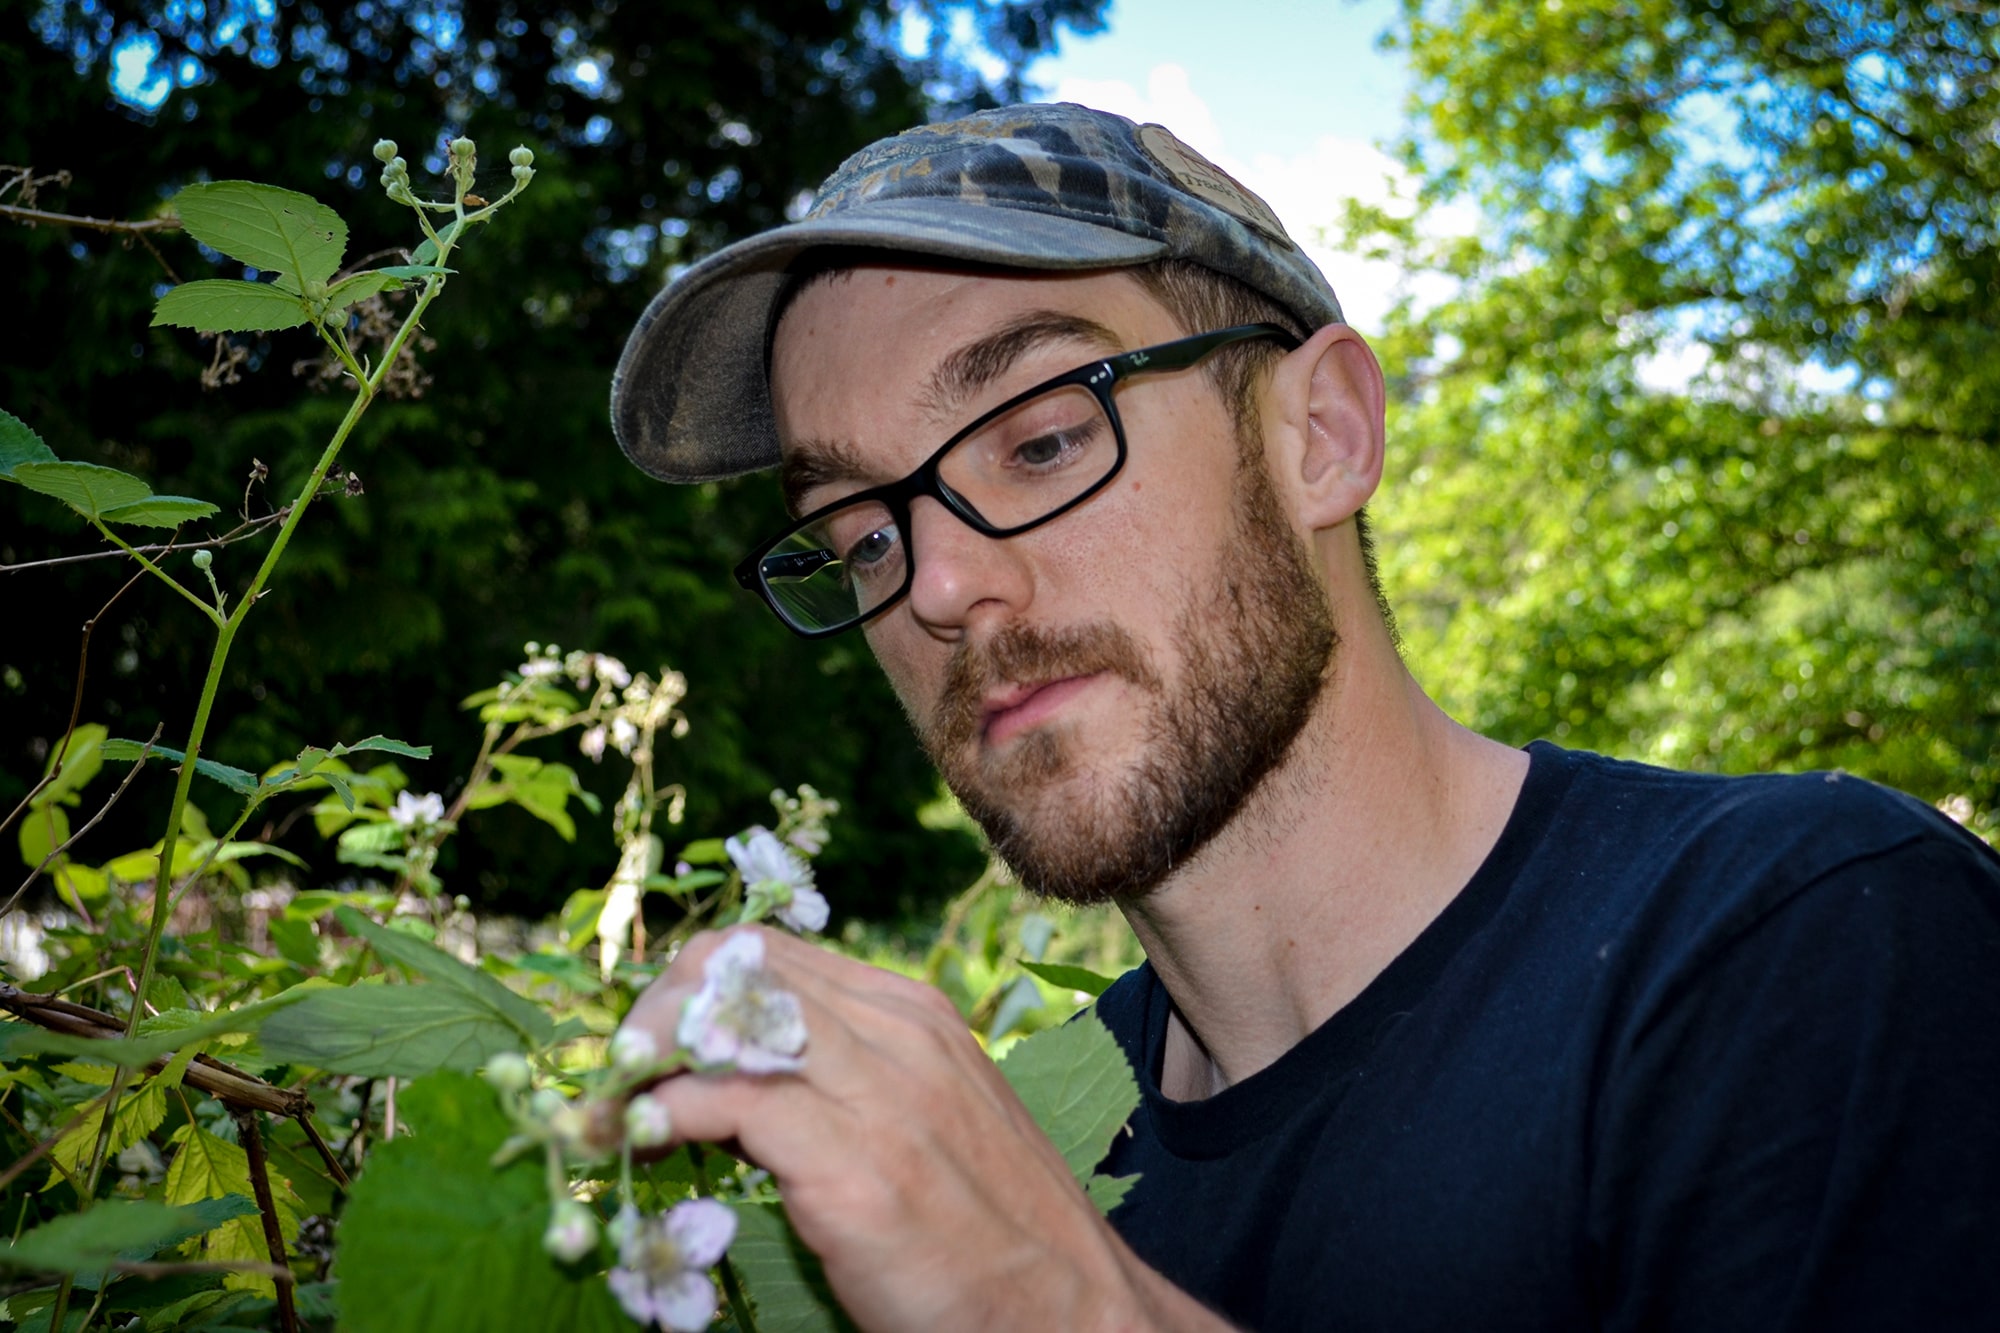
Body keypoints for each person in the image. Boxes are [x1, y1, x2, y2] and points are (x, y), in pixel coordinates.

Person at [604, 103, 2000, 1331]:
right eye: (858, 535)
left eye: (1041, 437)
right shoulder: (1055, 1138)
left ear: (1322, 434)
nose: (942, 586)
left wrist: (1057, 1304)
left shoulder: (1802, 946)